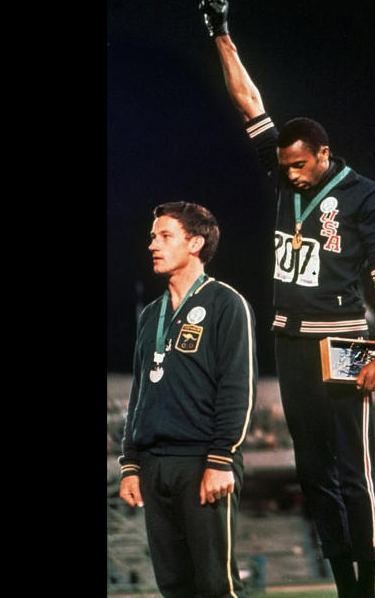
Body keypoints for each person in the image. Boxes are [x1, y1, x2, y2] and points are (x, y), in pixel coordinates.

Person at [198, 0, 375, 598]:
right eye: (283, 166)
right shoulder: (285, 170)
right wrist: (221, 34)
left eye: (298, 165)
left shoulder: (369, 197)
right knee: (313, 474)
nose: (288, 175)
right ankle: (344, 585)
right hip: (289, 341)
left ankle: (366, 584)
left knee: (353, 470)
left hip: (343, 342)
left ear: (324, 154)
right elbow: (250, 104)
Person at [119, 201, 258, 598]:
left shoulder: (226, 304)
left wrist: (220, 459)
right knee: (174, 587)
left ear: (195, 243)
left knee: (217, 586)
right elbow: (139, 393)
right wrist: (130, 464)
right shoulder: (150, 316)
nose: (153, 245)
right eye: (152, 237)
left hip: (202, 463)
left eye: (165, 236)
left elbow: (237, 388)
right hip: (153, 465)